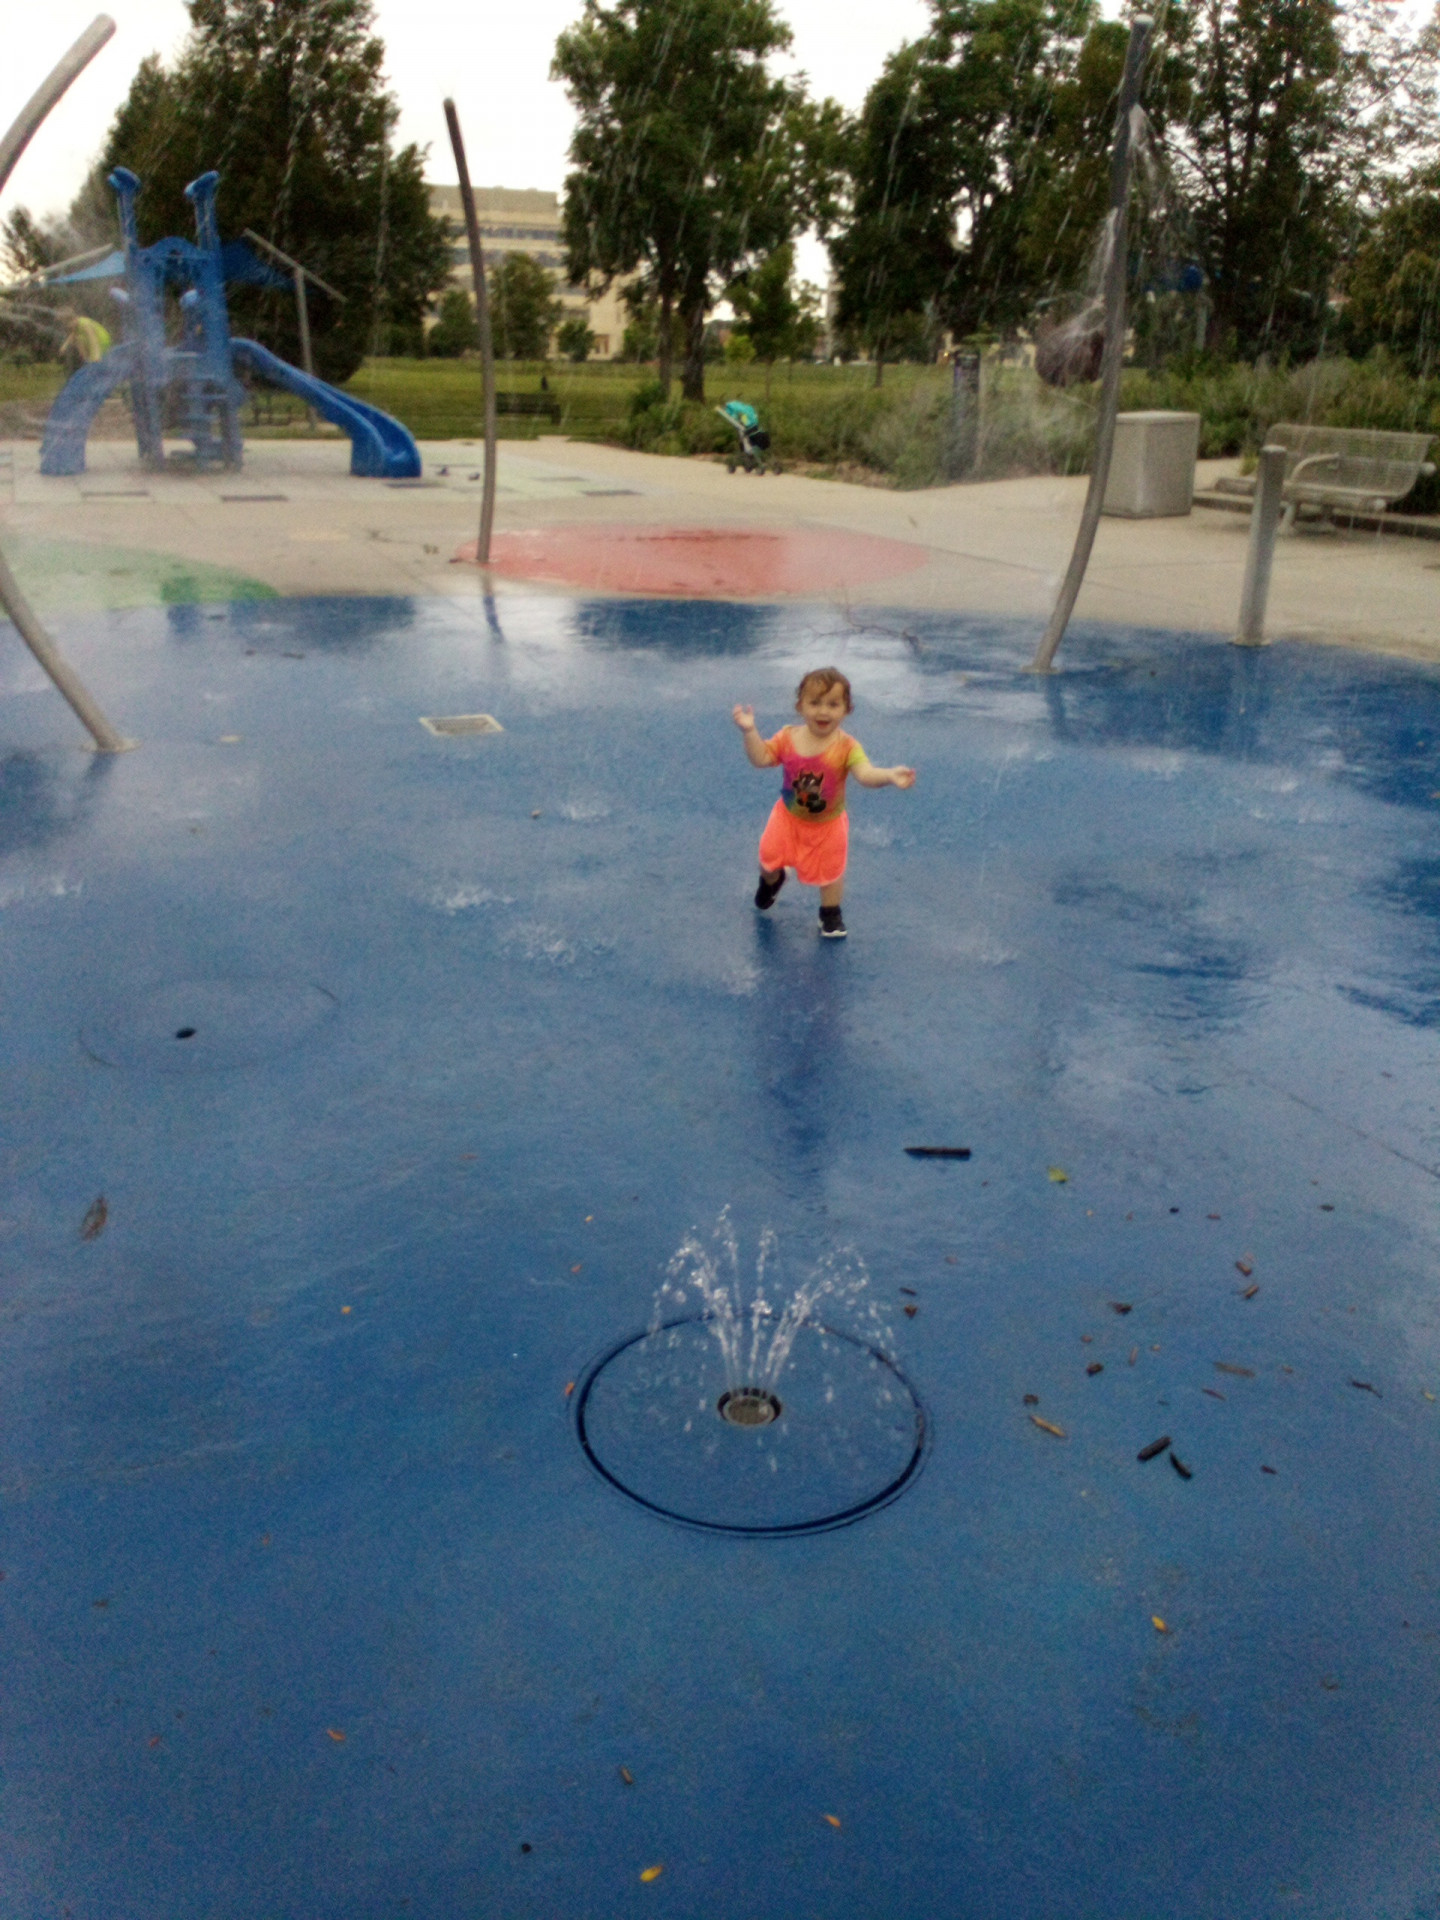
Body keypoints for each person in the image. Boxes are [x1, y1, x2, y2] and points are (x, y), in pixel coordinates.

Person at [732, 666, 915, 939]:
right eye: (815, 702)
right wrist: (749, 732)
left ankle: (830, 913)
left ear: (846, 710)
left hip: (828, 824)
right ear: (800, 706)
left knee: (830, 874)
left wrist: (888, 775)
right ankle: (774, 880)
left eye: (833, 704)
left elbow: (865, 774)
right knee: (768, 861)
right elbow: (761, 759)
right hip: (787, 818)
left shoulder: (847, 747)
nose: (823, 711)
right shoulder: (788, 737)